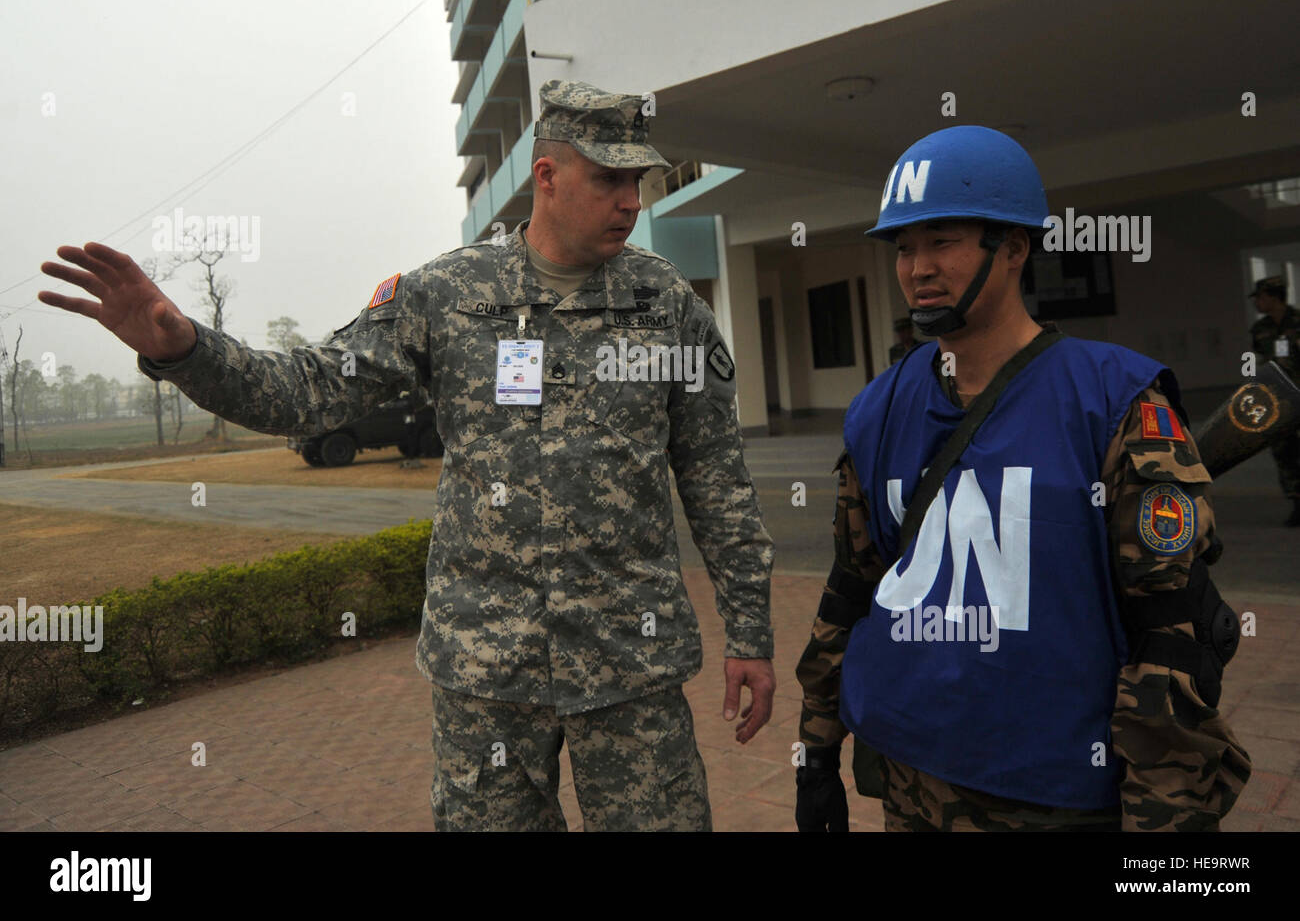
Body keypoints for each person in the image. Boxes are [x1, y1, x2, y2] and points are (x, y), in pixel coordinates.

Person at [39, 79, 777, 833]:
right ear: (548, 176)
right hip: (486, 673)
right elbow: (312, 390)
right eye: (609, 178)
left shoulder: (667, 306)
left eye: (638, 180)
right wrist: (188, 351)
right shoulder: (446, 296)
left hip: (631, 670)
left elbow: (717, 477)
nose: (630, 200)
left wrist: (749, 633)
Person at [794, 125, 1250, 832]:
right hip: (912, 784)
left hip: (1053, 794)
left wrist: (1167, 825)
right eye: (903, 248)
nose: (917, 268)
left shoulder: (1114, 402)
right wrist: (817, 749)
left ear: (1013, 248)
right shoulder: (877, 411)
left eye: (941, 240)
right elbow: (852, 588)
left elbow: (1174, 637)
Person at [1247, 274, 1300, 526]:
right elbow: (1259, 362)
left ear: (1273, 297)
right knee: (1284, 451)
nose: (1257, 303)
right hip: (1278, 401)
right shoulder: (1260, 329)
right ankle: (1297, 502)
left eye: (1260, 297)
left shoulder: (1298, 321)